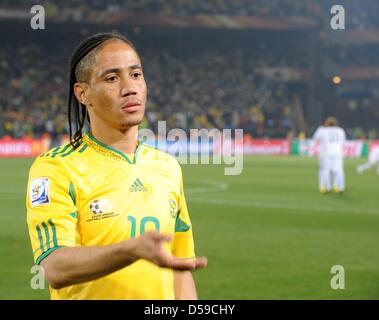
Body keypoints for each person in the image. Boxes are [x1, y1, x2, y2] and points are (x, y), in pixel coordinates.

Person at [26, 32, 207, 300]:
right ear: (83, 93)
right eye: (112, 78)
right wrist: (131, 250)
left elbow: (180, 266)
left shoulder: (167, 166)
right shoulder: (56, 168)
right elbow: (54, 268)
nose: (130, 87)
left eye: (136, 75)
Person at [312, 116, 346, 193]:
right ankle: (341, 187)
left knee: (325, 170)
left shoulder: (322, 130)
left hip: (326, 153)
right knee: (339, 170)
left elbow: (315, 138)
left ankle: (327, 187)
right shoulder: (340, 130)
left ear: (326, 123)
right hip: (338, 152)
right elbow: (343, 142)